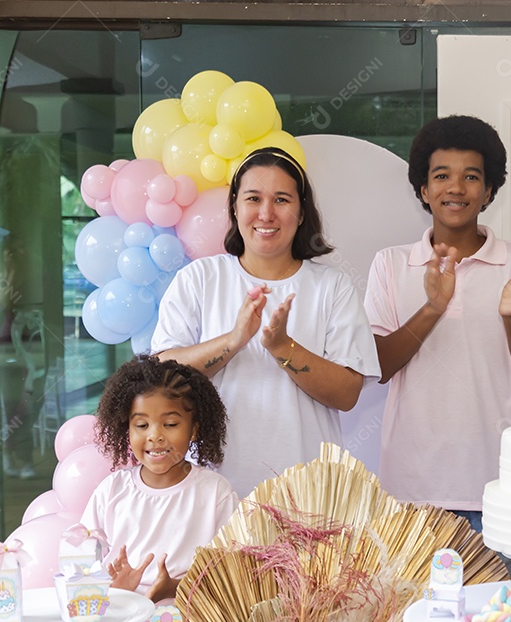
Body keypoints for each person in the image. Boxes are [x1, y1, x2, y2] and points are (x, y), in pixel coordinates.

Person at [364, 115, 511, 553]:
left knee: (495, 620)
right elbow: (381, 366)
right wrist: (434, 306)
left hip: (500, 486)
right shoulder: (391, 264)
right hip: (412, 492)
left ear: (488, 191)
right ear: (423, 190)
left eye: (471, 177)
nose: (456, 188)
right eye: (442, 176)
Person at [152, 147, 381, 497]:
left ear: (302, 212)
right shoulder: (199, 278)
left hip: (308, 494)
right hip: (213, 495)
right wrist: (233, 341)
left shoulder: (331, 286)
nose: (266, 213)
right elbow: (163, 378)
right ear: (234, 207)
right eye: (253, 198)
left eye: (282, 200)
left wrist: (282, 347)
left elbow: (347, 394)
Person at [82, 355, 237, 622]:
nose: (155, 436)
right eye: (141, 425)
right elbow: (82, 557)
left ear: (194, 428)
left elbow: (234, 569)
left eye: (170, 424)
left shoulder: (214, 492)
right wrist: (111, 587)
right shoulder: (112, 490)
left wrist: (178, 586)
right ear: (126, 428)